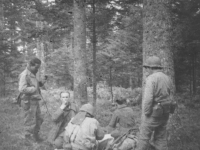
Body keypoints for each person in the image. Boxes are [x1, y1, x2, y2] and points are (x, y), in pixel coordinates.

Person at [136, 56, 175, 150]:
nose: (146, 70)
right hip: (165, 111)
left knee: (144, 138)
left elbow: (148, 98)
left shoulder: (151, 78)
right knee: (161, 137)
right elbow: (171, 96)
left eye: (147, 68)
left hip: (154, 112)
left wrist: (146, 112)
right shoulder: (167, 78)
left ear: (151, 68)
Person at [18, 57, 47, 143]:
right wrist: (34, 89)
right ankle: (28, 139)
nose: (37, 69)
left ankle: (35, 136)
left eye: (38, 67)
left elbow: (37, 84)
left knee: (39, 118)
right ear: (30, 65)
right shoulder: (25, 75)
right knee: (30, 120)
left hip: (35, 100)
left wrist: (43, 81)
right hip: (28, 101)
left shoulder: (33, 73)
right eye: (36, 67)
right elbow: (22, 89)